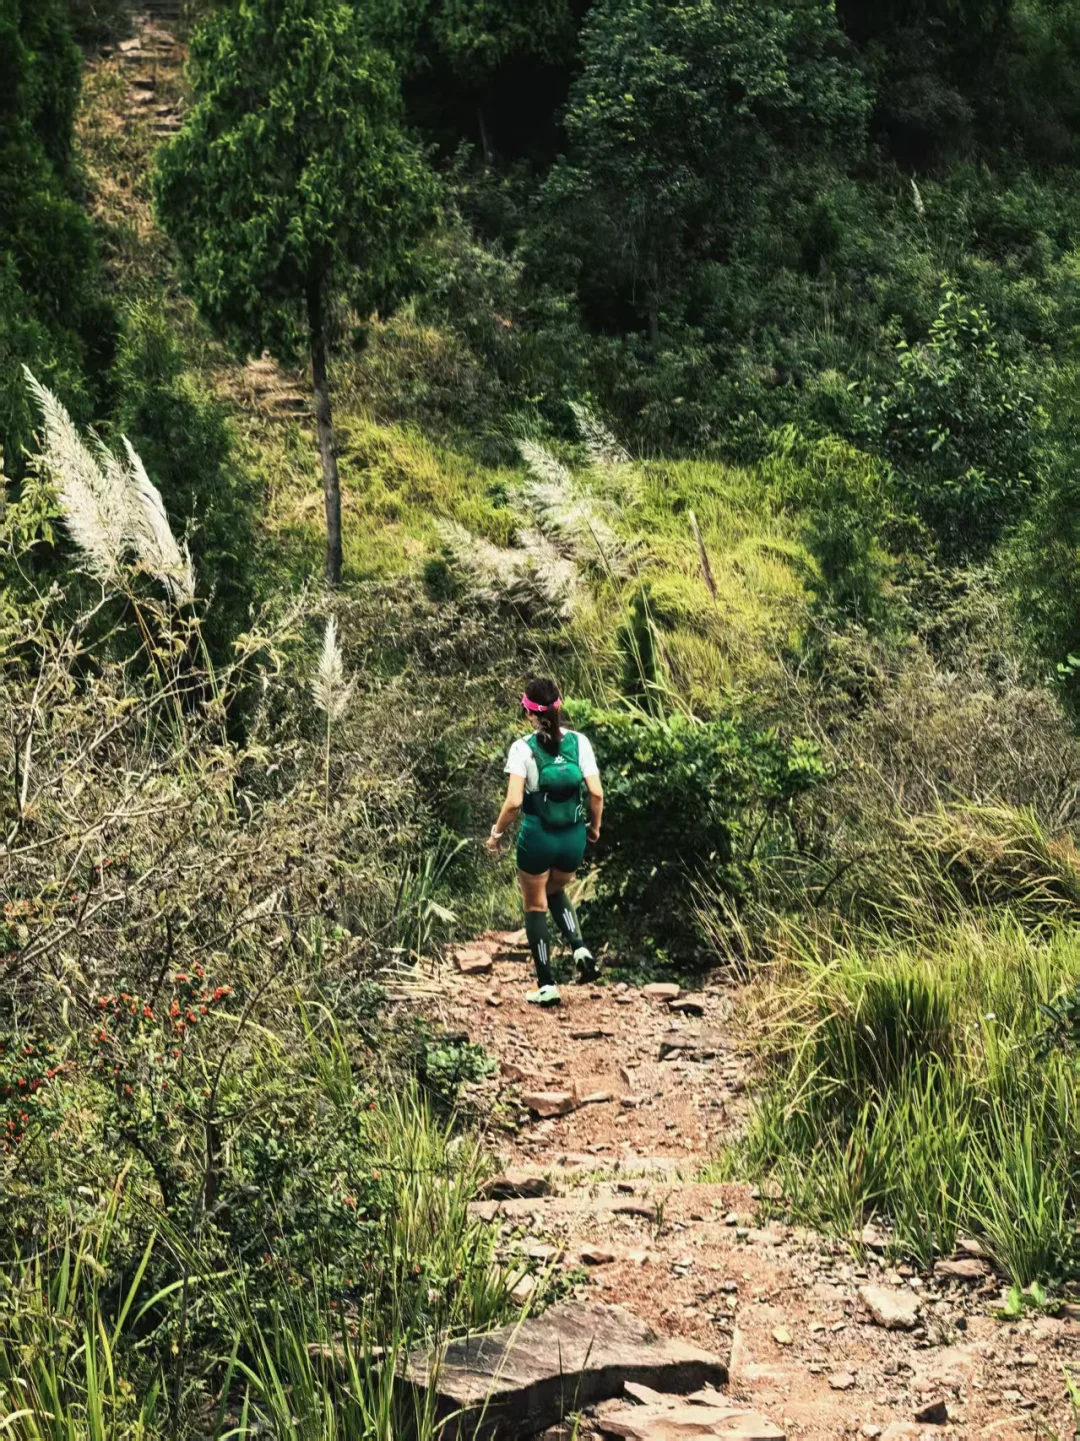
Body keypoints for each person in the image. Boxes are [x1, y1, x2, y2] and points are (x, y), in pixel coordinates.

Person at [487, 677, 604, 1007]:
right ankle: (579, 946)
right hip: (572, 838)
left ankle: (547, 984)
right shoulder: (580, 743)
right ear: (559, 706)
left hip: (537, 839)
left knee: (535, 903)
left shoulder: (522, 748)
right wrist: (593, 828)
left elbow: (512, 803)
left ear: (528, 713)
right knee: (556, 890)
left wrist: (496, 835)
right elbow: (596, 793)